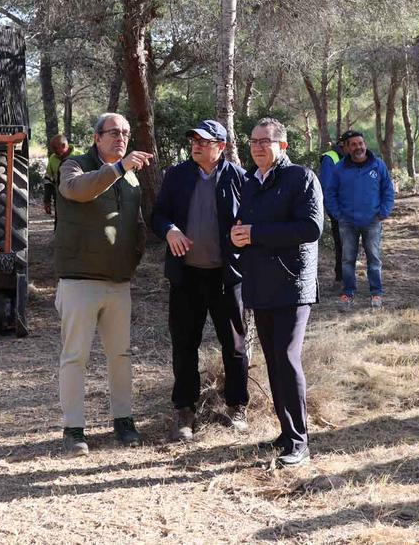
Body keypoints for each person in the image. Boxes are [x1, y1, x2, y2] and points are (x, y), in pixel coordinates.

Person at [54, 112, 154, 455]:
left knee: (121, 356)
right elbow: (76, 191)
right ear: (96, 138)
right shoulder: (74, 166)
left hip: (117, 283)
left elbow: (137, 224)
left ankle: (123, 422)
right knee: (75, 357)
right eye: (113, 132)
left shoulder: (131, 178)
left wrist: (132, 260)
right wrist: (118, 169)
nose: (121, 138)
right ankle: (73, 429)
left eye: (126, 132)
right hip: (79, 281)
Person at [232, 118, 323, 468]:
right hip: (260, 284)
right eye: (253, 141)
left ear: (282, 146)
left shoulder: (300, 178)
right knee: (273, 362)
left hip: (292, 286)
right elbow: (248, 226)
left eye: (264, 141)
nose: (257, 147)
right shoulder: (252, 182)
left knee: (286, 358)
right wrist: (239, 235)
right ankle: (286, 433)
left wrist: (256, 233)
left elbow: (310, 228)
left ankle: (300, 442)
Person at [151, 119, 250, 441]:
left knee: (234, 346)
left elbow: (252, 219)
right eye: (193, 139)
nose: (196, 145)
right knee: (183, 344)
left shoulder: (238, 177)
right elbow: (157, 214)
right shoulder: (177, 175)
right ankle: (184, 410)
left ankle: (236, 406)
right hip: (186, 277)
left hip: (226, 277)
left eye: (204, 141)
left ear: (221, 147)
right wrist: (170, 230)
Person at [325, 130, 395, 309]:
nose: (359, 147)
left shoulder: (378, 165)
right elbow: (330, 193)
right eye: (354, 144)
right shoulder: (339, 168)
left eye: (361, 143)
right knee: (348, 259)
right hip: (347, 222)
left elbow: (388, 190)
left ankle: (376, 293)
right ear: (347, 148)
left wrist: (384, 212)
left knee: (374, 258)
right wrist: (338, 215)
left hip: (372, 220)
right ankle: (348, 293)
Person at [318, 137, 346, 283]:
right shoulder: (330, 158)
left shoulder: (353, 157)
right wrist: (335, 213)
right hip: (340, 211)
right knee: (342, 245)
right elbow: (327, 188)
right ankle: (341, 278)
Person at [43, 134, 72, 222]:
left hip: (77, 200)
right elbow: (48, 181)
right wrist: (47, 201)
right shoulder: (52, 159)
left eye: (55, 148)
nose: (53, 151)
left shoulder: (80, 156)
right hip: (59, 199)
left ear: (63, 146)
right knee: (59, 223)